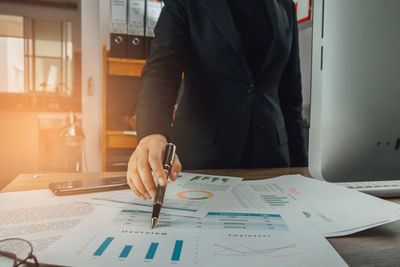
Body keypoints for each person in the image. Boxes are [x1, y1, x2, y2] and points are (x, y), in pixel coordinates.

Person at [127, 0, 308, 200]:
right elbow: (162, 68)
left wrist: (302, 171)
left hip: (271, 164)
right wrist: (153, 132)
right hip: (203, 162)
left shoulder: (286, 6)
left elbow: (291, 99)